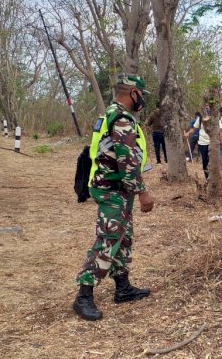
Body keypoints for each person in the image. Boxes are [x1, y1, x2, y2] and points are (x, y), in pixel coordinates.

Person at [73, 74, 155, 321]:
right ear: (133, 93)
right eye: (141, 94)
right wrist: (143, 192)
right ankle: (83, 295)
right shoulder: (121, 118)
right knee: (109, 238)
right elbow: (126, 160)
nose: (142, 99)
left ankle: (123, 287)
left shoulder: (110, 113)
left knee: (123, 236)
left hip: (116, 188)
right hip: (113, 188)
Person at [183, 107, 222, 180]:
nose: (207, 108)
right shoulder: (200, 118)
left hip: (212, 143)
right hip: (202, 143)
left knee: (213, 161)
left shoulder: (216, 117)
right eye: (205, 105)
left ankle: (214, 178)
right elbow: (194, 129)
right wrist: (188, 133)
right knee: (205, 161)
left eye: (208, 106)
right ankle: (207, 178)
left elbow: (219, 130)